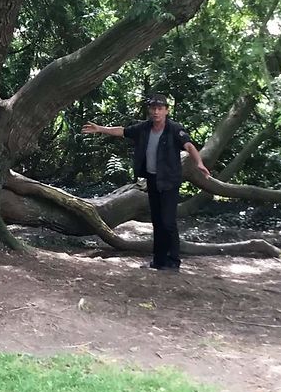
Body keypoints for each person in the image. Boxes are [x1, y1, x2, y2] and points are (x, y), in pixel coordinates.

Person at [82, 94, 210, 270]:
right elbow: (123, 131)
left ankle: (173, 261)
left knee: (168, 221)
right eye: (153, 108)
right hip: (152, 179)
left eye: (160, 108)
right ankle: (158, 261)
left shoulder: (174, 129)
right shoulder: (144, 128)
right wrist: (100, 129)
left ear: (166, 110)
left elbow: (188, 146)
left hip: (170, 181)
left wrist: (199, 163)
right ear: (150, 110)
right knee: (157, 221)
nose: (156, 112)